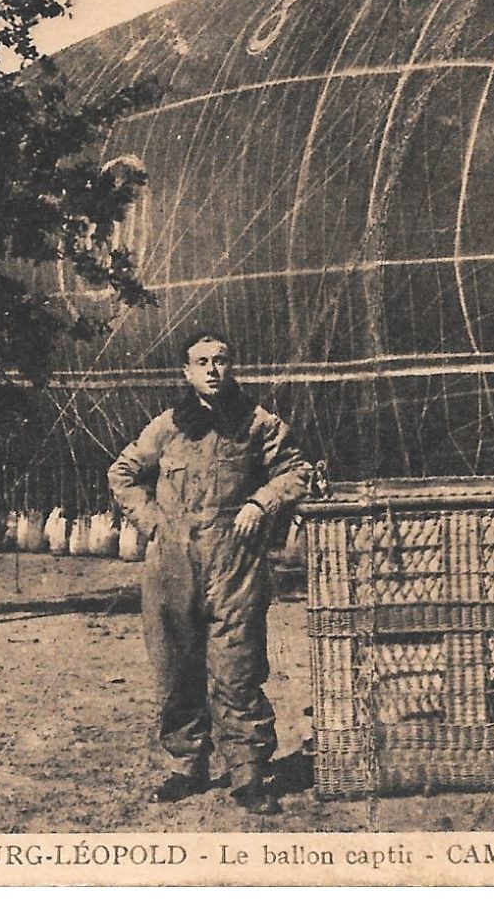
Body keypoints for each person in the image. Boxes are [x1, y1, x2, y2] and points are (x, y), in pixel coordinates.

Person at [108, 331, 311, 815]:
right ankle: (185, 766)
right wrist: (152, 522)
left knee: (237, 668)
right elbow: (123, 473)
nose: (213, 370)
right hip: (173, 564)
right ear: (187, 372)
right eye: (202, 362)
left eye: (221, 360)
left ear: (232, 365)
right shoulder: (167, 427)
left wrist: (262, 502)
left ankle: (248, 774)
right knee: (178, 669)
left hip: (234, 560)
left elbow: (296, 470)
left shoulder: (258, 423)